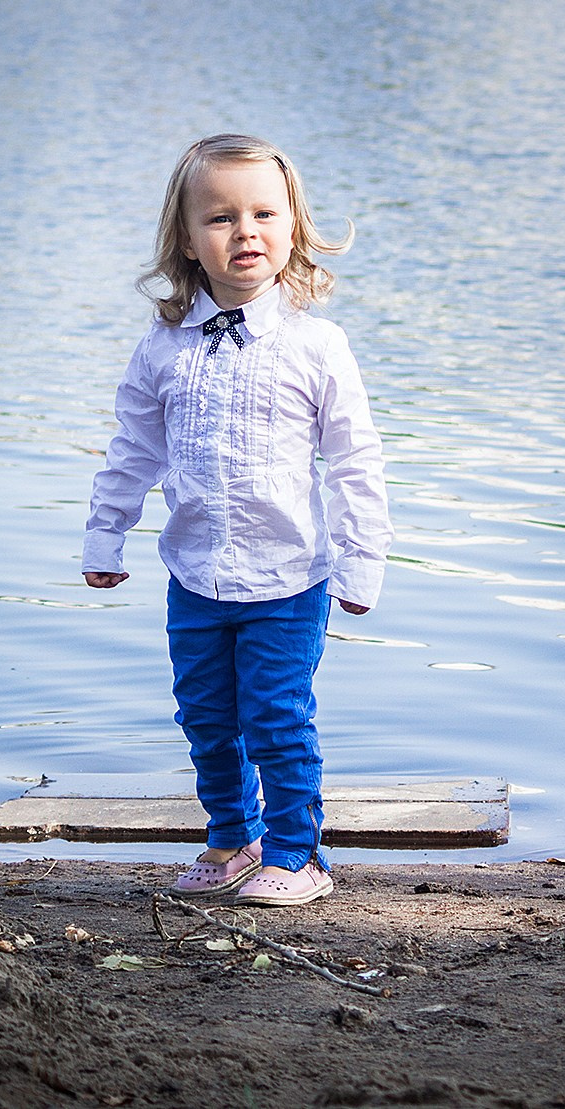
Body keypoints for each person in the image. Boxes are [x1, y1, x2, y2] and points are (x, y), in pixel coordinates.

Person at [83, 134, 391, 907]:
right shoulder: (162, 348)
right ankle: (231, 838)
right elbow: (131, 448)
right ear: (188, 241)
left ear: (292, 227)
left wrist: (363, 561)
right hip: (194, 575)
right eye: (220, 217)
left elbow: (355, 460)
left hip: (289, 577)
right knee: (207, 717)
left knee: (278, 716)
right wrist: (105, 532)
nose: (244, 231)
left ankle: (299, 853)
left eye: (263, 213)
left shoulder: (317, 345)